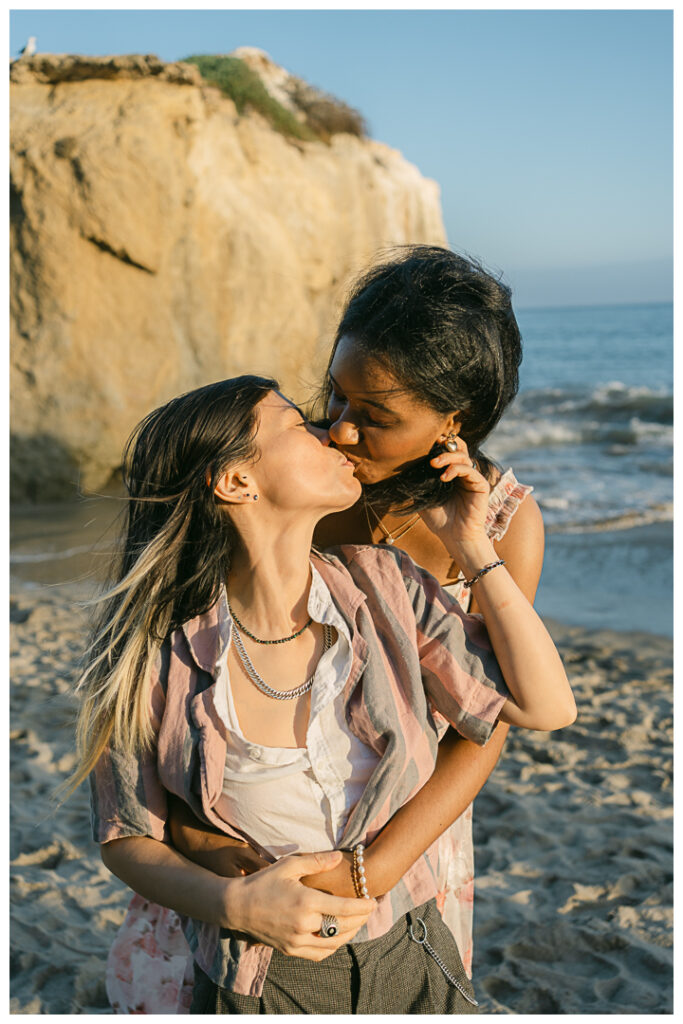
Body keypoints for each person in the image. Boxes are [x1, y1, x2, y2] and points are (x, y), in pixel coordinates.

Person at [79, 373, 575, 1014]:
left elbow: (546, 707)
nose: (334, 431)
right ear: (236, 482)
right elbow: (126, 835)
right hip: (257, 982)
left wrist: (473, 547)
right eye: (298, 425)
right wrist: (236, 905)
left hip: (414, 954)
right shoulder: (146, 652)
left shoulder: (386, 586)